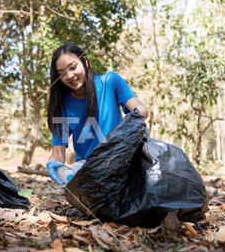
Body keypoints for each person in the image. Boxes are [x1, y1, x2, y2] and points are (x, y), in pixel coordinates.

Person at [46, 43, 148, 185]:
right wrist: (55, 168)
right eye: (62, 73)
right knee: (74, 177)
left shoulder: (110, 81)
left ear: (85, 61)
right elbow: (57, 154)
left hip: (122, 157)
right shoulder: (63, 106)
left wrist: (123, 134)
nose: (69, 75)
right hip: (89, 167)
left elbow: (141, 110)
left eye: (73, 67)